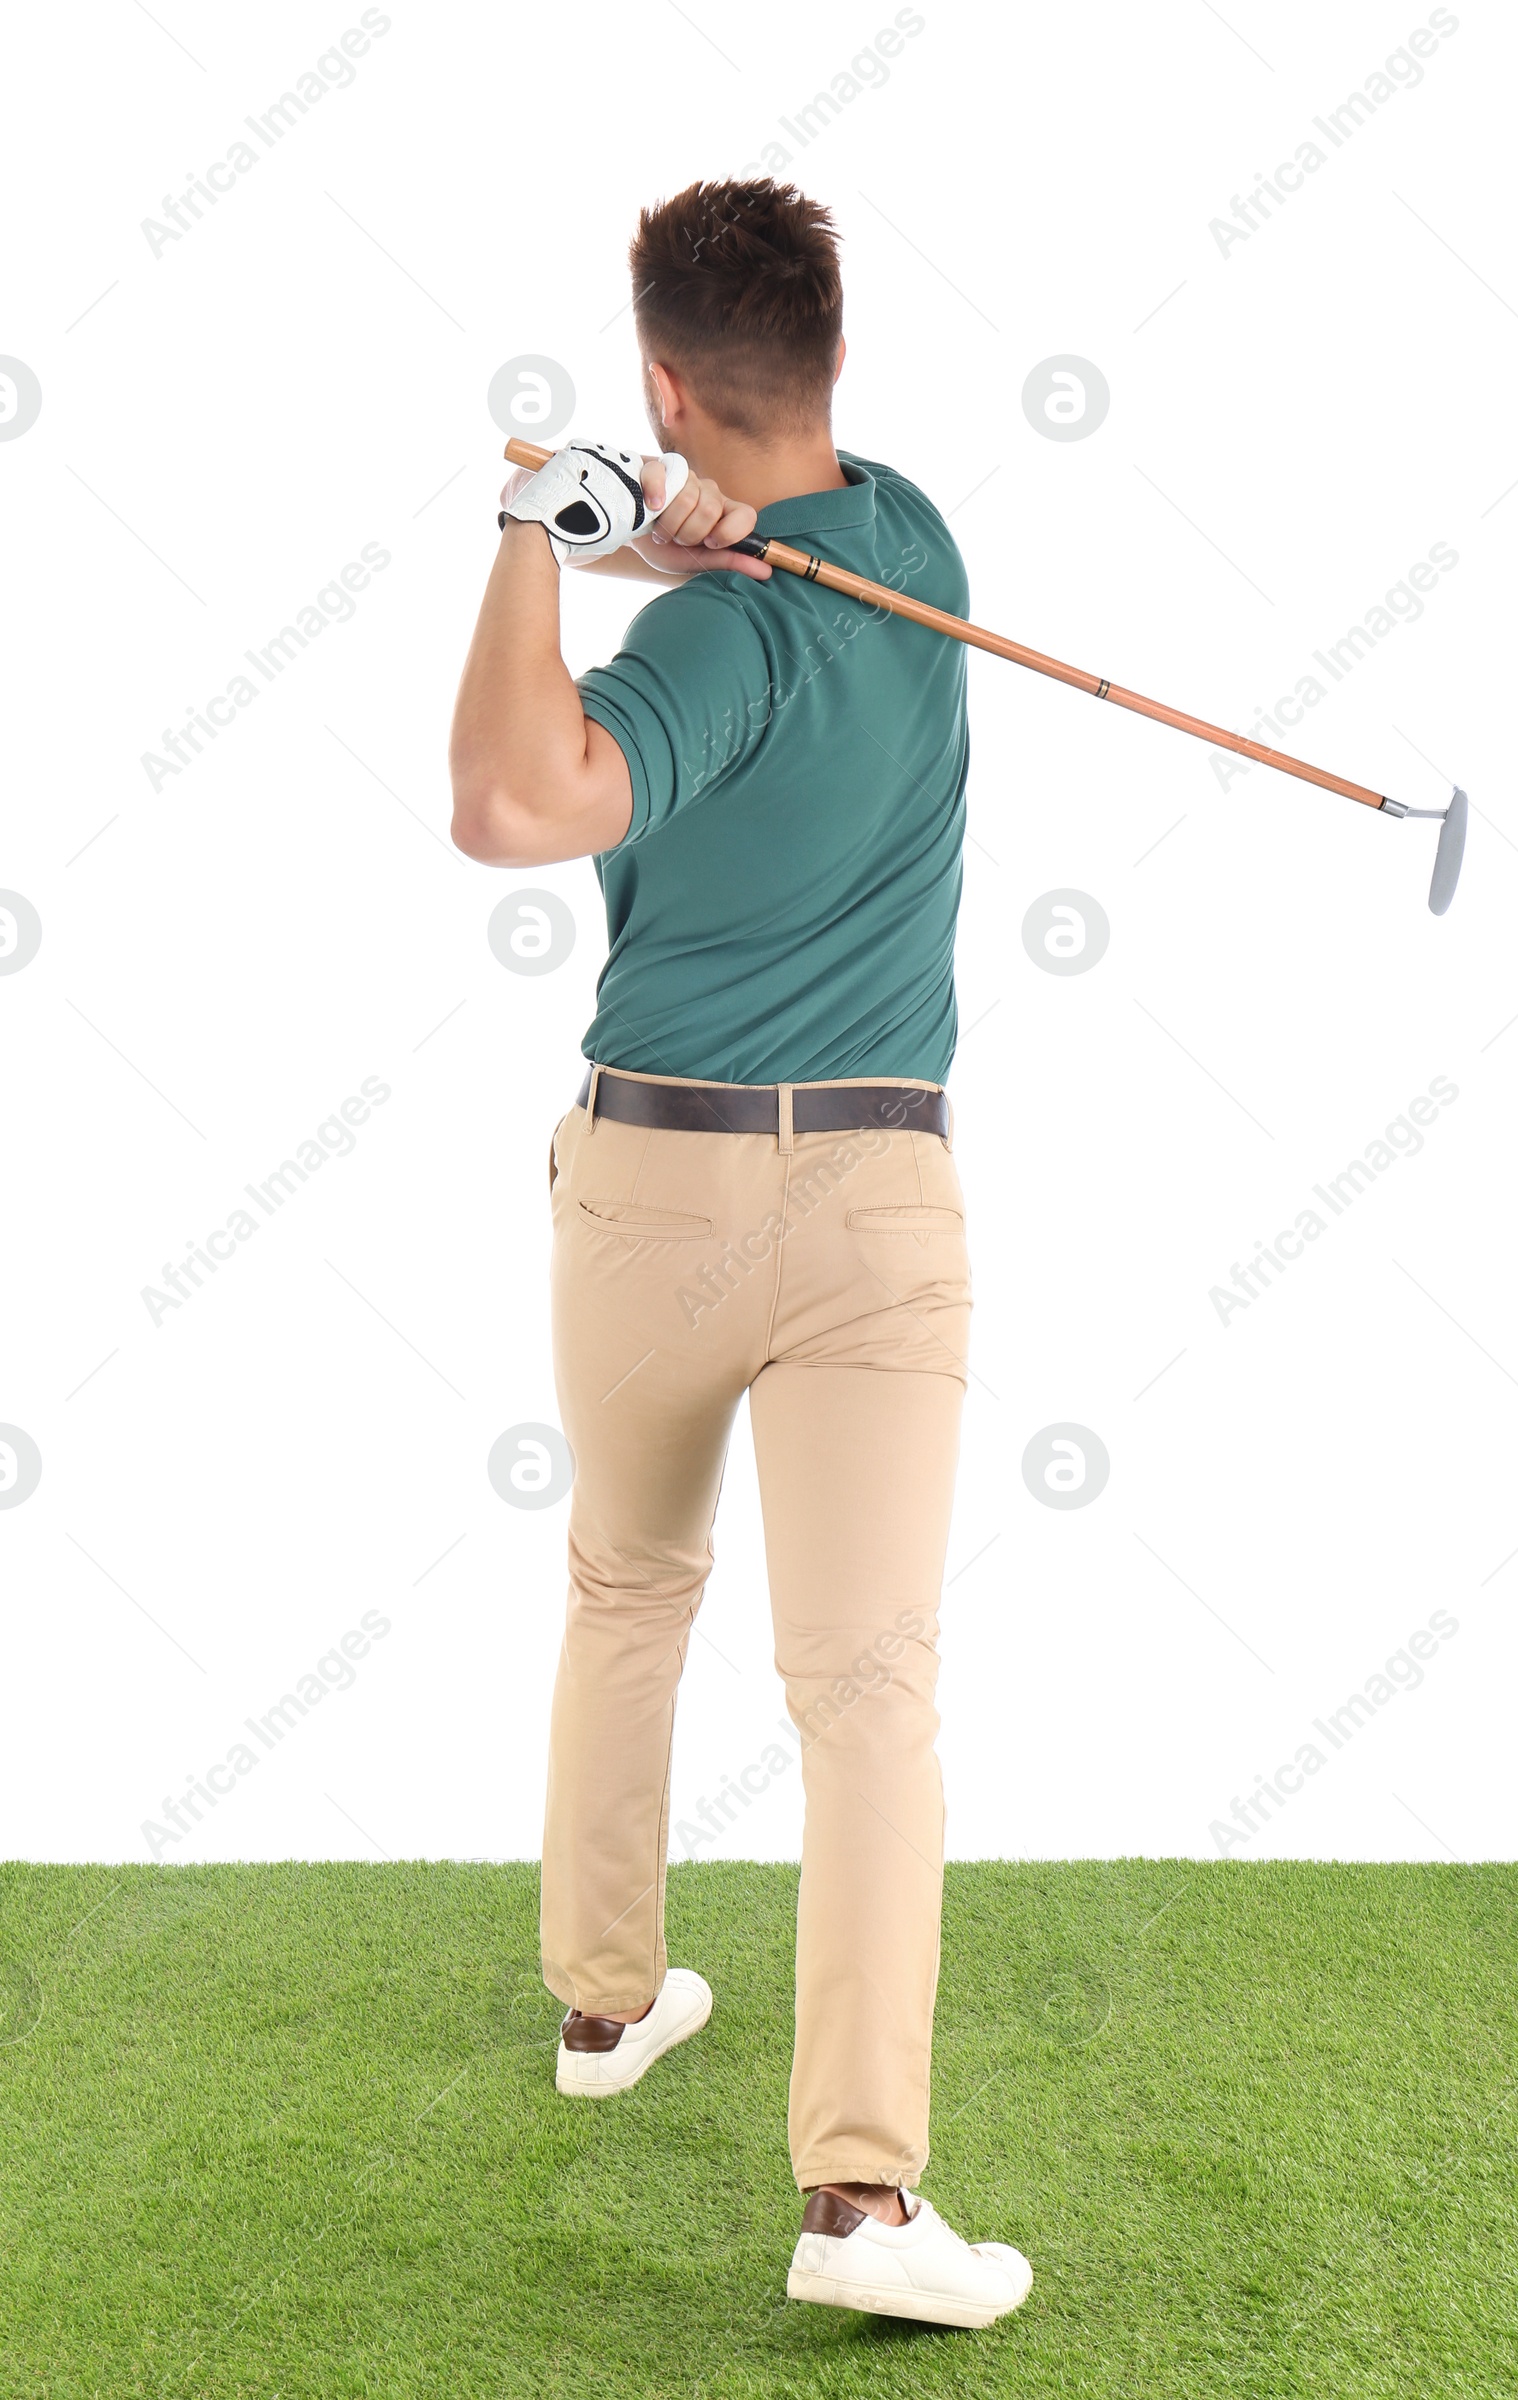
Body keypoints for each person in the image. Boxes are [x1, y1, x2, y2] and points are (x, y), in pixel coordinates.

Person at [449, 178, 1030, 2331]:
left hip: (647, 1192)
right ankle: (860, 2212)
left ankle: (606, 2011)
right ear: (837, 367)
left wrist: (541, 527)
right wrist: (664, 526)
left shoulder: (693, 641)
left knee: (626, 1582)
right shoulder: (927, 545)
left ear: (663, 382)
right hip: (876, 1200)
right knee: (865, 1695)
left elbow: (513, 803)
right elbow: (768, 548)